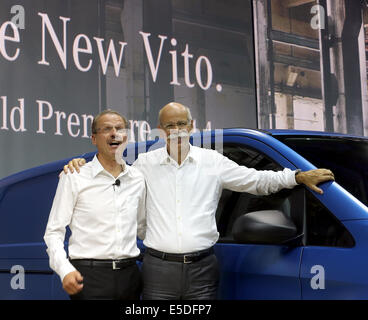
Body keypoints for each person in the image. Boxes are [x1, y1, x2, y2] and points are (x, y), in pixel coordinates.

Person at [64, 102, 335, 300]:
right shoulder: (145, 164)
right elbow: (112, 174)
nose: (177, 129)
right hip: (158, 270)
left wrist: (297, 177)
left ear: (192, 126)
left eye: (182, 123)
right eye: (170, 125)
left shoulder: (212, 162)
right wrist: (80, 164)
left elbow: (256, 180)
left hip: (203, 270)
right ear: (161, 130)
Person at [44, 110, 146, 300]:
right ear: (94, 139)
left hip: (130, 276)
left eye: (119, 129)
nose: (114, 133)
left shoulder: (137, 178)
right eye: (107, 129)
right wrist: (64, 269)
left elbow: (142, 227)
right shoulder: (74, 175)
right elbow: (53, 231)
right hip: (90, 277)